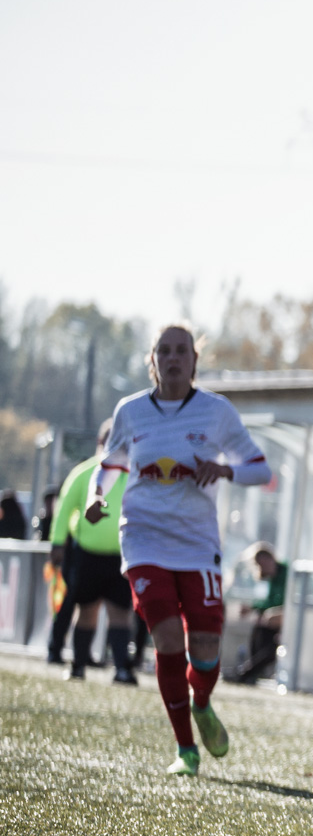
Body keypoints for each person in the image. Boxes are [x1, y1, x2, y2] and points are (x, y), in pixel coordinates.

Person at [85, 324, 271, 776]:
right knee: (167, 638)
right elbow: (108, 466)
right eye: (163, 351)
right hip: (144, 537)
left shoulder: (216, 412)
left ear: (194, 360)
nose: (172, 358)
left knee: (205, 647)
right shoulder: (131, 411)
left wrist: (224, 471)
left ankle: (202, 703)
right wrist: (96, 496)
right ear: (153, 360)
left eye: (181, 351)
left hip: (197, 543)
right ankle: (185, 750)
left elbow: (260, 469)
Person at [50, 420, 138, 683]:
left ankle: (122, 668)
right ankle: (78, 664)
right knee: (87, 610)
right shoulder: (85, 472)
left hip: (121, 556)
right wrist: (57, 543)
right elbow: (64, 509)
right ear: (101, 443)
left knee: (119, 613)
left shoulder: (133, 474)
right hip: (87, 555)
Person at [231, 543, 286, 684]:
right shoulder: (271, 578)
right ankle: (252, 670)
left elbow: (288, 601)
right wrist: (253, 608)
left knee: (271, 641)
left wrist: (277, 612)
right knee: (259, 628)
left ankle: (248, 672)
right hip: (274, 621)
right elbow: (270, 601)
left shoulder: (286, 572)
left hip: (287, 619)